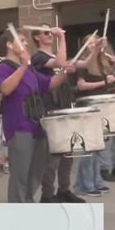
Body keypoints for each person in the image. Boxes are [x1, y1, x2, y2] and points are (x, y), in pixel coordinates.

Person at [0, 27, 73, 204]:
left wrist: (65, 70)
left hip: (38, 125)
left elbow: (51, 84)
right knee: (20, 174)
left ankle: (28, 204)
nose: (26, 43)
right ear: (9, 44)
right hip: (19, 126)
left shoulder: (30, 70)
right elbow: (5, 88)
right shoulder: (4, 67)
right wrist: (23, 66)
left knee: (36, 172)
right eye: (21, 41)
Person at [29, 23, 86, 203]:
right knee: (52, 158)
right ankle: (47, 195)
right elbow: (60, 63)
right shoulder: (38, 57)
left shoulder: (55, 54)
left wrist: (95, 51)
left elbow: (83, 64)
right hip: (50, 109)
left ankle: (64, 189)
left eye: (51, 32)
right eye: (46, 32)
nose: (50, 35)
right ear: (37, 37)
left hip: (64, 107)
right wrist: (62, 37)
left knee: (68, 154)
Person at [73, 36, 115, 196]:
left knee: (98, 146)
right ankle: (84, 184)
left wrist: (114, 62)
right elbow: (81, 85)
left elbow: (112, 76)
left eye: (96, 41)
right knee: (89, 147)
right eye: (91, 42)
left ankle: (95, 181)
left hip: (102, 105)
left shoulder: (100, 62)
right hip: (87, 105)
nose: (94, 44)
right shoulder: (81, 62)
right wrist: (104, 83)